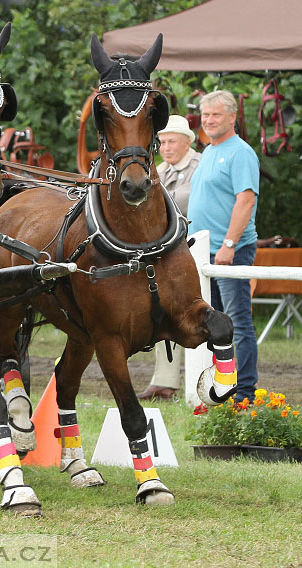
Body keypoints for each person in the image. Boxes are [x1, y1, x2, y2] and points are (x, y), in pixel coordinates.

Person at [186, 89, 260, 401]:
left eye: (216, 115)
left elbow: (246, 200)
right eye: (205, 115)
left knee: (237, 322)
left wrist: (229, 243)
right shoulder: (209, 151)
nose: (210, 120)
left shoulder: (240, 152)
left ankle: (243, 390)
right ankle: (219, 387)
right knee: (210, 323)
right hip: (204, 252)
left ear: (232, 117)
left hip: (230, 251)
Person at [138, 115, 200, 401]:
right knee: (163, 310)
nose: (165, 147)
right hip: (167, 253)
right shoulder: (157, 171)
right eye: (161, 142)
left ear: (188, 142)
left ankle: (208, 380)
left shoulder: (200, 168)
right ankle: (164, 381)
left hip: (197, 246)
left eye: (172, 141)